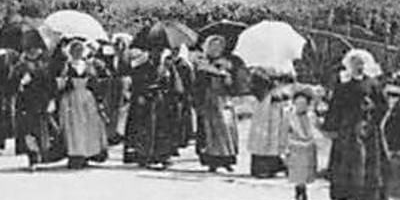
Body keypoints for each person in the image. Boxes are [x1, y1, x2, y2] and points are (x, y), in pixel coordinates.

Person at [322, 48, 391, 200]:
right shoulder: (343, 85)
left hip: (367, 129)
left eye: (361, 63)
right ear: (349, 65)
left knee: (367, 162)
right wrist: (331, 126)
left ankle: (366, 198)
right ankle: (352, 196)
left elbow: (384, 105)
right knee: (351, 161)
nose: (358, 66)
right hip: (347, 129)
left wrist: (375, 118)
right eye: (354, 63)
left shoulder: (372, 84)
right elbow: (335, 106)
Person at [123, 45, 184, 168]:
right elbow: (136, 82)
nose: (157, 53)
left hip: (161, 100)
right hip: (145, 99)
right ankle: (144, 155)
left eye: (160, 51)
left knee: (162, 128)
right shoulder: (140, 65)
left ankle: (161, 155)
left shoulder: (167, 66)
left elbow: (174, 83)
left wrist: (170, 93)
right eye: (155, 50)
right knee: (145, 128)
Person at [55, 39, 108, 169]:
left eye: (80, 50)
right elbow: (59, 83)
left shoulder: (88, 65)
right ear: (70, 52)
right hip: (71, 98)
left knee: (87, 126)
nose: (77, 53)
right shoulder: (66, 66)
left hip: (86, 98)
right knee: (73, 128)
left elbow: (95, 82)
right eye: (75, 50)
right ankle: (74, 155)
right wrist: (66, 81)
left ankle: (86, 153)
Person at [192, 35, 239, 173]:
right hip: (208, 101)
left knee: (226, 129)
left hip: (223, 100)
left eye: (219, 46)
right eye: (213, 46)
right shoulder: (202, 64)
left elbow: (233, 85)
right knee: (210, 132)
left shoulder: (226, 64)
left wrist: (227, 77)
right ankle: (212, 160)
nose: (216, 49)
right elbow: (198, 85)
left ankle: (227, 159)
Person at [12, 41, 62, 170]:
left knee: (42, 131)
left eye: (35, 49)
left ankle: (43, 155)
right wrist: (21, 82)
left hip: (42, 101)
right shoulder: (20, 66)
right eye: (29, 49)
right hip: (26, 103)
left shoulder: (45, 65)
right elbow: (10, 86)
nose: (33, 51)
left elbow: (51, 84)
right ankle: (32, 158)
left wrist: (52, 100)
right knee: (28, 131)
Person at [276, 86, 322, 200]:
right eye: (298, 103)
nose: (301, 106)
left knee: (308, 173)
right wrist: (283, 149)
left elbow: (318, 128)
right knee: (298, 173)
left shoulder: (311, 116)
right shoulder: (289, 116)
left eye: (303, 104)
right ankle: (301, 193)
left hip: (309, 146)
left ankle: (302, 189)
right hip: (295, 147)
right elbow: (283, 133)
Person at [245, 71, 287, 179]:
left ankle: (273, 164)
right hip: (265, 105)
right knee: (263, 135)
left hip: (272, 107)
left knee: (272, 134)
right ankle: (263, 167)